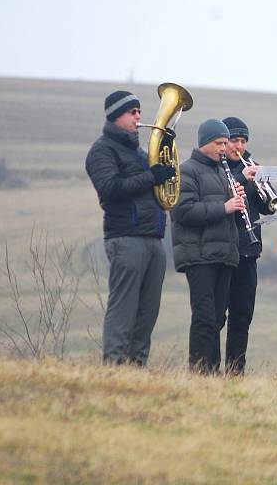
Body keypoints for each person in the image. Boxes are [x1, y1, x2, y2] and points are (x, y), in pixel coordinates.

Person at [85, 90, 175, 366]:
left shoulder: (139, 152)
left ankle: (137, 366)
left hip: (153, 239)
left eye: (139, 111)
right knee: (123, 308)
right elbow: (110, 189)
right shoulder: (101, 151)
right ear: (115, 116)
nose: (139, 116)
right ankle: (113, 365)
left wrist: (163, 159)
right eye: (132, 112)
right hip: (126, 238)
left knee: (147, 312)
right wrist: (151, 176)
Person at [170, 118, 246, 374]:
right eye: (219, 143)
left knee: (216, 318)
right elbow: (182, 210)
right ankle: (200, 373)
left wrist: (237, 200)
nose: (224, 148)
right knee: (203, 317)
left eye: (225, 143)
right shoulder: (187, 170)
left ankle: (212, 374)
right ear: (204, 142)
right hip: (198, 255)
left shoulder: (222, 172)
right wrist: (225, 206)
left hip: (223, 254)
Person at [219, 116, 275, 374]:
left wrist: (261, 185)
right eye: (234, 140)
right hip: (222, 251)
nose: (239, 146)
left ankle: (235, 372)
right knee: (217, 316)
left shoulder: (253, 165)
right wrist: (241, 178)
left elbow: (267, 207)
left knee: (242, 317)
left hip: (249, 251)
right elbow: (218, 198)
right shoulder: (216, 168)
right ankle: (206, 370)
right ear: (224, 141)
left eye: (243, 141)